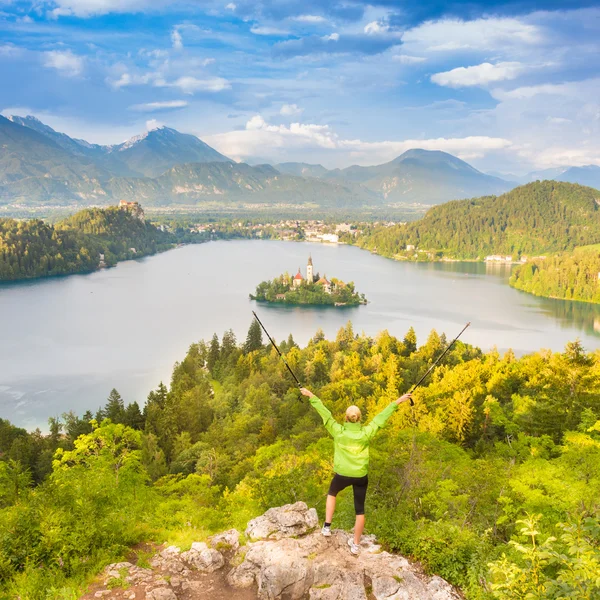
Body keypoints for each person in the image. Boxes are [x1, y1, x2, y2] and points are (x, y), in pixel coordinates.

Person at [300, 387, 412, 555]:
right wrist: (398, 401)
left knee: (332, 492)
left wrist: (311, 396)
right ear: (360, 419)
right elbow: (381, 418)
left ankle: (327, 527)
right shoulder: (366, 433)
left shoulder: (338, 431)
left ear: (346, 418)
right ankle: (356, 545)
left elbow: (325, 414)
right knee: (360, 509)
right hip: (360, 476)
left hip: (342, 474)